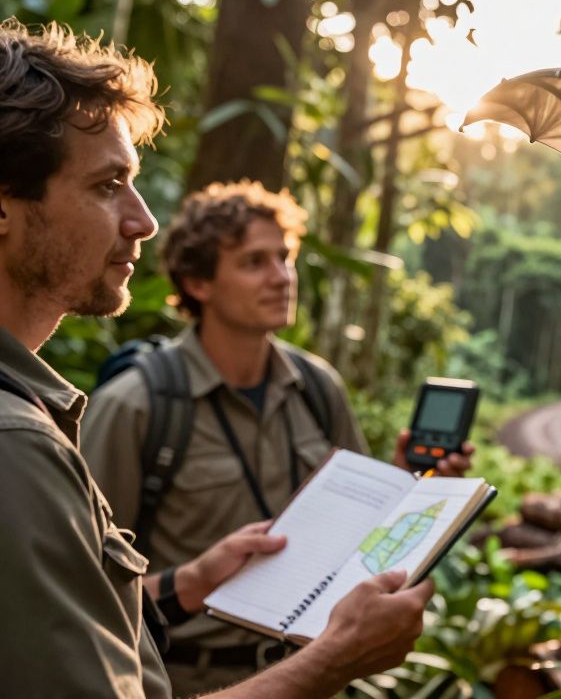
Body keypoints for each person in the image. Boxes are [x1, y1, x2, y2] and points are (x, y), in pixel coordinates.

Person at [0, 19, 435, 697]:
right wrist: (334, 661)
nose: (143, 220)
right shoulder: (55, 431)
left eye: (283, 259)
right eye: (108, 184)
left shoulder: (316, 387)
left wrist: (413, 489)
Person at [82, 180, 473, 693]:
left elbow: (356, 546)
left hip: (314, 673)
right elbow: (83, 596)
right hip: (185, 680)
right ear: (199, 283)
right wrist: (194, 581)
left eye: (284, 258)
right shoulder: (136, 405)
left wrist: (404, 484)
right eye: (254, 262)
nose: (282, 276)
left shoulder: (316, 387)